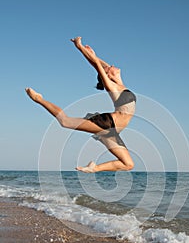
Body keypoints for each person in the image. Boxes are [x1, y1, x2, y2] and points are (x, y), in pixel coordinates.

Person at [25, 37, 136, 173]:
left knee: (128, 164)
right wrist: (80, 47)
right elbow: (97, 65)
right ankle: (38, 99)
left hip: (113, 132)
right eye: (108, 68)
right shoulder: (111, 86)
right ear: (108, 76)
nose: (111, 66)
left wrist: (93, 54)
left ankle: (94, 168)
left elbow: (100, 63)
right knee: (65, 121)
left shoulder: (119, 82)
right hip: (108, 123)